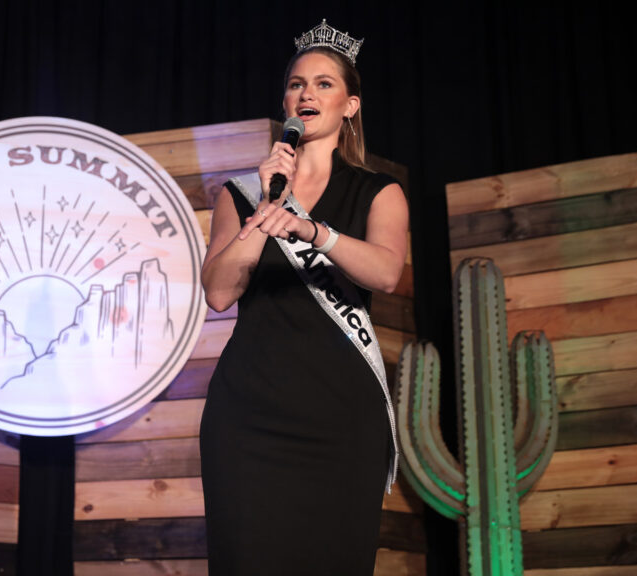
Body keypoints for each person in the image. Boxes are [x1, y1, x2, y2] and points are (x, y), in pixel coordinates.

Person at [198, 19, 409, 575]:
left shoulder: (378, 191)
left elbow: (386, 274)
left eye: (322, 84)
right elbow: (219, 292)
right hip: (249, 412)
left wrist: (314, 231)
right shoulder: (244, 194)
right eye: (296, 84)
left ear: (350, 105)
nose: (306, 94)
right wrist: (271, 209)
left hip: (339, 415)